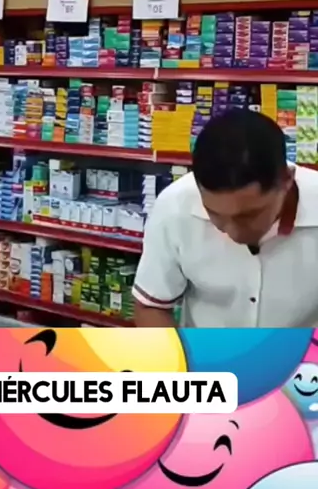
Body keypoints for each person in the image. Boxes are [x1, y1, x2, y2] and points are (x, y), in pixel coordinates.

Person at [133, 108, 318, 328]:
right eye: (214, 214)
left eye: (249, 215)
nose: (233, 232)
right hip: (205, 349)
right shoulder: (175, 206)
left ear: (286, 180)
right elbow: (151, 306)